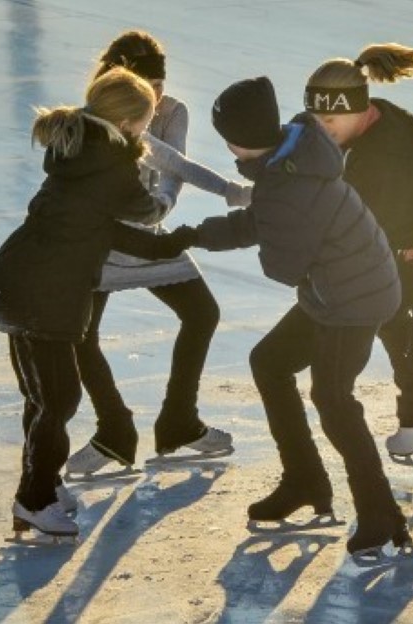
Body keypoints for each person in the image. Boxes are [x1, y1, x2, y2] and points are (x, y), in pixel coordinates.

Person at [150, 76, 411, 557]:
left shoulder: (285, 185)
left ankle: (379, 511)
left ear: (239, 141)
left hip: (353, 299)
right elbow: (260, 221)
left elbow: (282, 265)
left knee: (333, 399)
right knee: (270, 363)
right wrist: (191, 235)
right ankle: (305, 481)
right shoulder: (290, 159)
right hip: (339, 287)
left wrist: (250, 230)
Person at [0, 67, 169, 538]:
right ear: (129, 124)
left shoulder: (75, 148)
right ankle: (34, 499)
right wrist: (162, 190)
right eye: (147, 123)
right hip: (47, 293)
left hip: (18, 280)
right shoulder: (116, 164)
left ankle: (42, 487)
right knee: (58, 398)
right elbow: (146, 210)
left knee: (43, 399)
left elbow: (97, 223)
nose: (147, 131)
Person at [304, 43, 413, 507]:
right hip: (406, 244)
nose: (324, 131)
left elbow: (362, 228)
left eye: (330, 123)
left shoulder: (381, 160)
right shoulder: (368, 127)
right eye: (317, 121)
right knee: (387, 319)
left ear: (360, 110)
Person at [66, 30, 249, 477]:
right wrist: (229, 191)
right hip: (102, 238)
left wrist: (160, 209)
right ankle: (113, 432)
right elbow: (162, 158)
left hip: (147, 229)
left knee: (202, 313)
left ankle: (179, 422)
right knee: (80, 336)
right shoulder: (104, 116)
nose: (158, 97)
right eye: (150, 90)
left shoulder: (171, 112)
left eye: (162, 88)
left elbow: (172, 169)